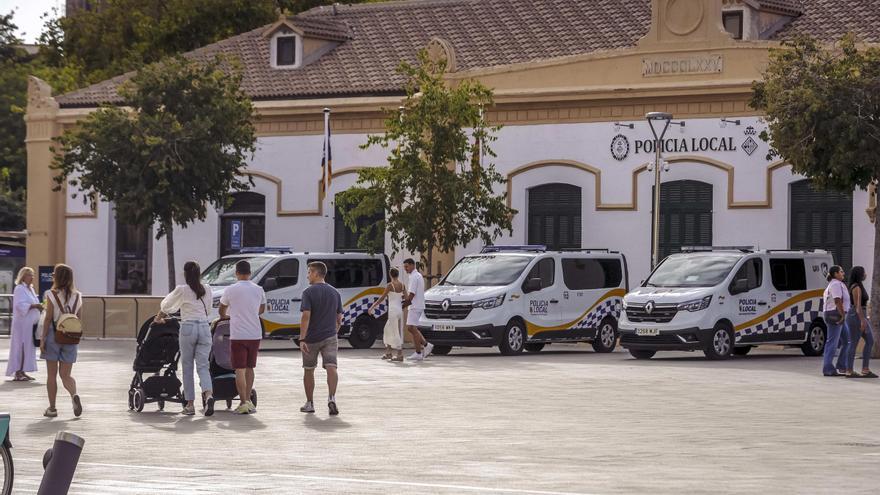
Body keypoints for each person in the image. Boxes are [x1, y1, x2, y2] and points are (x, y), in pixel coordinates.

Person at [157, 261, 215, 415]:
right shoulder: (207, 289)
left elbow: (166, 306)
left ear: (185, 274)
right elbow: (208, 311)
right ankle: (208, 395)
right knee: (203, 366)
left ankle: (190, 405)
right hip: (204, 327)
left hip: (188, 327)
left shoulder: (182, 290)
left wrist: (158, 317)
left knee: (188, 367)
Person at [219, 260, 266, 415]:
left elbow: (221, 309)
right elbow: (261, 309)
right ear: (250, 273)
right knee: (250, 367)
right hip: (255, 333)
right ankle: (250, 402)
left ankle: (243, 402)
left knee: (239, 369)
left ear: (236, 273)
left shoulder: (230, 289)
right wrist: (251, 313)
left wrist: (227, 316)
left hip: (238, 334)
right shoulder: (259, 289)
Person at [299, 261, 343, 415]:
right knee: (332, 366)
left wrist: (302, 339)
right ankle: (332, 398)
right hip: (330, 336)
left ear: (317, 274)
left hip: (311, 339)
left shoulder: (308, 292)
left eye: (309, 272)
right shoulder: (335, 292)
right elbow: (339, 318)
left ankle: (310, 403)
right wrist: (334, 331)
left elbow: (306, 316)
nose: (308, 275)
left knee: (309, 370)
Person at [40, 264, 83, 417]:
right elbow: (79, 318)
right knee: (66, 375)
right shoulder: (78, 295)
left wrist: (43, 339)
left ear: (57, 277)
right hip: (71, 336)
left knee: (51, 375)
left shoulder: (51, 294)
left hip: (54, 334)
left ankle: (52, 408)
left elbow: (48, 318)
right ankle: (74, 395)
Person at [6, 267, 42, 381]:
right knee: (20, 346)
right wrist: (35, 306)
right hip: (21, 325)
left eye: (33, 275)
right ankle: (18, 372)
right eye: (29, 275)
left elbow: (33, 302)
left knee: (28, 346)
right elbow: (20, 305)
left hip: (29, 324)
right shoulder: (19, 289)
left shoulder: (30, 289)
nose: (32, 277)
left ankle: (23, 370)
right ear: (23, 276)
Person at [843, 266, 877, 378]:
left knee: (870, 340)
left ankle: (865, 369)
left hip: (858, 315)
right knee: (853, 342)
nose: (866, 274)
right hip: (856, 315)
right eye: (864, 272)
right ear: (859, 274)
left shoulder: (858, 286)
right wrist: (863, 321)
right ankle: (849, 370)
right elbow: (858, 307)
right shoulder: (856, 287)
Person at [369, 267, 406, 362]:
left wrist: (373, 306)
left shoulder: (390, 285)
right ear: (397, 274)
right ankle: (388, 352)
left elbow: (382, 298)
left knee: (395, 332)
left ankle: (399, 354)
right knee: (387, 329)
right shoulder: (402, 285)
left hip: (393, 311)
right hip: (399, 310)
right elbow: (406, 298)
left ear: (390, 275)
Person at [821, 265, 851, 377]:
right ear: (835, 274)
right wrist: (842, 315)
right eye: (841, 271)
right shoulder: (835, 284)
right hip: (835, 315)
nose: (843, 273)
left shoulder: (839, 284)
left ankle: (842, 365)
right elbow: (837, 300)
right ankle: (828, 369)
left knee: (847, 341)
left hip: (839, 315)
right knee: (832, 342)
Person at [403, 258, 432, 361]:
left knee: (411, 328)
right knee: (411, 328)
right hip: (417, 305)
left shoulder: (415, 277)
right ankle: (426, 345)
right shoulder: (416, 276)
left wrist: (404, 305)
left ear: (412, 265)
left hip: (415, 306)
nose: (405, 269)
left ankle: (418, 352)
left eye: (406, 267)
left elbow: (411, 294)